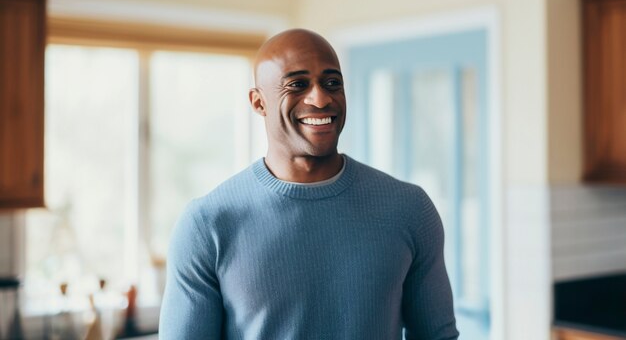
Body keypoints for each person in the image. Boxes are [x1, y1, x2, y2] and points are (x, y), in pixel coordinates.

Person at [159, 28, 459, 340]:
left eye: (332, 83)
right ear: (258, 103)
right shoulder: (207, 225)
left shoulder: (408, 208)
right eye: (298, 85)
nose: (320, 98)